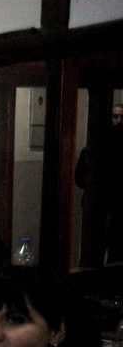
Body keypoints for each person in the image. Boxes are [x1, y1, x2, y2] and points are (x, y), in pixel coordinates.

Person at [75, 103, 123, 265]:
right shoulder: (92, 150)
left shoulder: (94, 149)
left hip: (114, 206)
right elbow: (79, 178)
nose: (119, 121)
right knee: (95, 249)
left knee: (114, 250)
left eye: (121, 117)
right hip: (100, 205)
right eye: (115, 117)